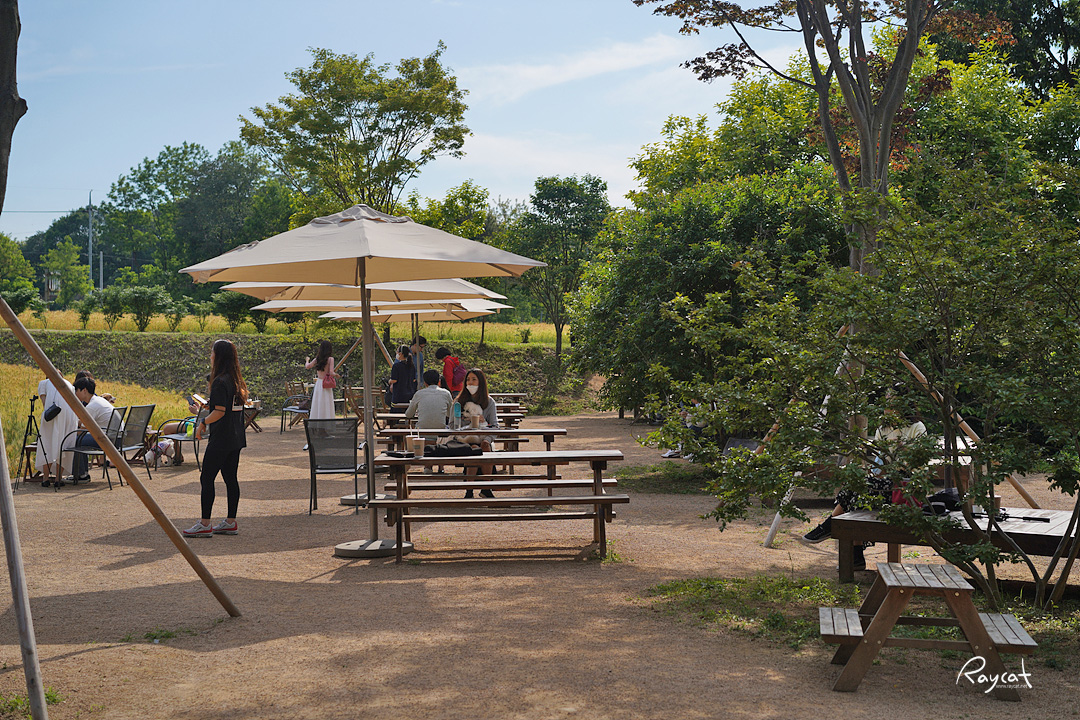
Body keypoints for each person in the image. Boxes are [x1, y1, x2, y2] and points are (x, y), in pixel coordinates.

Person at [799, 400, 927, 570]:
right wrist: (870, 472)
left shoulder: (917, 428)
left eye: (891, 403)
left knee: (858, 489)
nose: (886, 408)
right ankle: (852, 554)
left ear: (903, 404)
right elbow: (879, 465)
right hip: (887, 485)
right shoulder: (883, 429)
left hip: (906, 489)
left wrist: (903, 451)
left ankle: (830, 527)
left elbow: (919, 466)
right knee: (857, 488)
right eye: (886, 402)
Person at [182, 339, 248, 538]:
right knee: (230, 478)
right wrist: (209, 405)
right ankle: (231, 521)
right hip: (236, 437)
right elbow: (224, 406)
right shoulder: (235, 380)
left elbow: (220, 411)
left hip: (221, 438)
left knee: (207, 478)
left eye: (212, 352)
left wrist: (203, 422)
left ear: (218, 356)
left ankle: (205, 524)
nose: (210, 356)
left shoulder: (219, 381)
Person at [67, 376, 123, 484]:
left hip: (109, 440)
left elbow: (81, 432)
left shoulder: (92, 406)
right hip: (117, 438)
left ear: (84, 390)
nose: (75, 394)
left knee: (76, 440)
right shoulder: (99, 401)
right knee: (80, 439)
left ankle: (81, 475)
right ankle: (82, 474)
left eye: (76, 390)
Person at [455, 368, 498, 498]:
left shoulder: (489, 402)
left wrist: (485, 428)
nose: (470, 382)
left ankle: (486, 488)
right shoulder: (458, 402)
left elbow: (495, 426)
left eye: (474, 379)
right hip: (464, 439)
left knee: (485, 445)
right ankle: (469, 490)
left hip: (484, 436)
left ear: (481, 382)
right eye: (468, 380)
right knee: (473, 447)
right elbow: (452, 425)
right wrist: (467, 424)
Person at [36, 374, 78, 488]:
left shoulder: (44, 383)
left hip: (53, 414)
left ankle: (45, 478)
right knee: (64, 445)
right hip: (69, 416)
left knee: (47, 443)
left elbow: (45, 404)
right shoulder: (69, 384)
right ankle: (58, 479)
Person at [305, 340, 338, 420]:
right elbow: (331, 372)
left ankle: (317, 420)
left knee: (318, 403)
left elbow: (308, 366)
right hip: (326, 383)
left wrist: (307, 360)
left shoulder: (317, 359)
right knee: (327, 403)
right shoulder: (330, 359)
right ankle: (327, 420)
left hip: (319, 383)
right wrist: (336, 375)